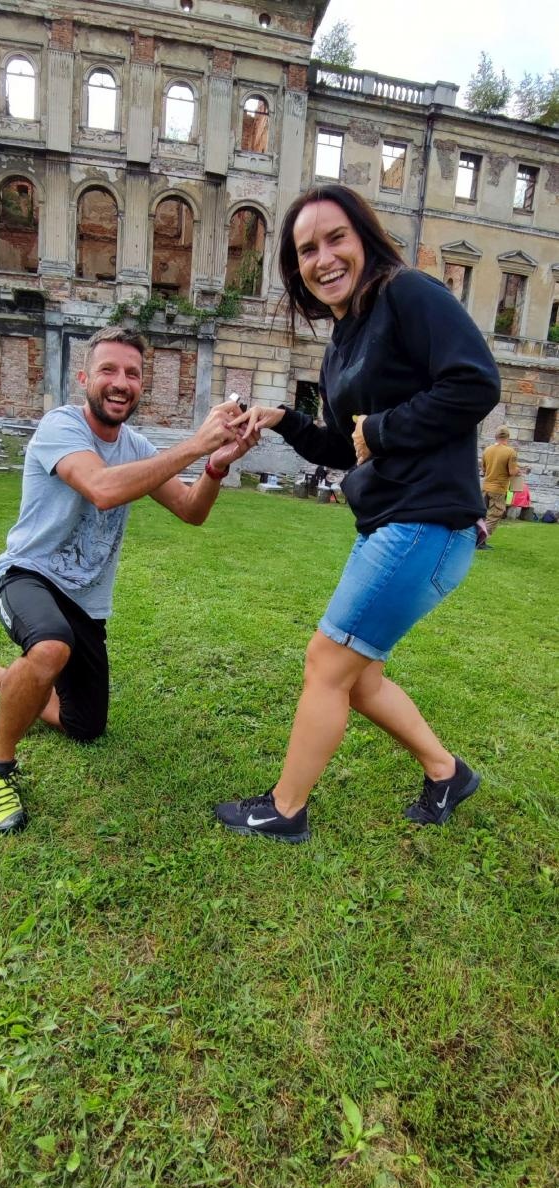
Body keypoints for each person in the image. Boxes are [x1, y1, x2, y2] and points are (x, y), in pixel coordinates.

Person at [214, 184, 501, 843]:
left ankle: (285, 811)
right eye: (306, 250)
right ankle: (446, 772)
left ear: (363, 239)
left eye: (335, 238)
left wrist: (386, 429)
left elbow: (475, 382)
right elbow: (350, 448)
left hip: (426, 522)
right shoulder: (341, 341)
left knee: (327, 662)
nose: (323, 258)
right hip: (391, 524)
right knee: (358, 674)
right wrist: (285, 419)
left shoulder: (407, 293)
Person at [0, 326, 256, 833]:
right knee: (50, 647)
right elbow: (101, 489)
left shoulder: (135, 445)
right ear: (84, 378)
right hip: (27, 574)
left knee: (83, 725)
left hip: (84, 602)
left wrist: (215, 467)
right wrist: (195, 442)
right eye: (109, 370)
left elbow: (190, 511)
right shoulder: (60, 426)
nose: (121, 382)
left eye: (132, 374)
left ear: (142, 385)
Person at [481, 425, 520, 543]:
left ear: (496, 436)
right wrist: (518, 470)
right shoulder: (510, 452)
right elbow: (512, 472)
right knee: (495, 514)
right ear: (508, 437)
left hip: (485, 486)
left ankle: (474, 538)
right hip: (498, 488)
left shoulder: (487, 450)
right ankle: (481, 541)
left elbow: (483, 470)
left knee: (482, 514)